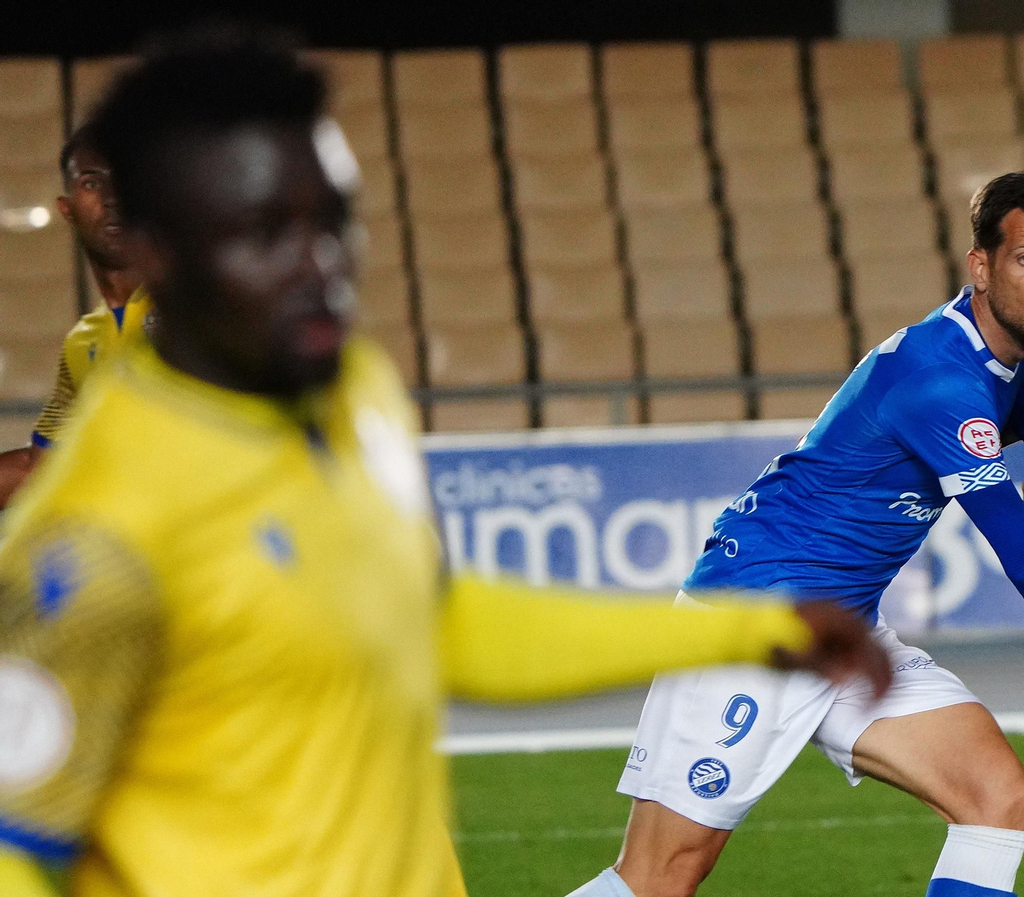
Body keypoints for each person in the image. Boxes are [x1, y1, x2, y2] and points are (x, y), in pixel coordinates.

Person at [0, 27, 891, 897]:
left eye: (334, 222)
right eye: (265, 232)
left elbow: (430, 621)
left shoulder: (357, 392)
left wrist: (746, 633)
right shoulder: (96, 533)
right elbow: (17, 844)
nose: (323, 267)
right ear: (156, 251)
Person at [565, 171, 1024, 897]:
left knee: (998, 796)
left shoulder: (995, 343)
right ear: (981, 266)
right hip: (751, 619)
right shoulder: (939, 379)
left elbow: (1023, 392)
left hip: (842, 630)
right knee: (660, 876)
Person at [0, 125, 153, 507]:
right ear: (66, 208)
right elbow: (41, 469)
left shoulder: (201, 306)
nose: (112, 198)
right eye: (91, 183)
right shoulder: (83, 341)